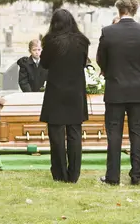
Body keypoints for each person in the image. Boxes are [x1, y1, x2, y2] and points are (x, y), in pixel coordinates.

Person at [97, 0, 140, 186]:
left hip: (115, 88)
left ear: (119, 10)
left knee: (114, 133)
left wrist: (110, 71)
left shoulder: (108, 32)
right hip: (138, 88)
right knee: (138, 132)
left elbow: (100, 59)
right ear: (135, 10)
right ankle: (136, 173)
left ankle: (112, 176)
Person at [39, 9, 90, 183]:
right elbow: (84, 63)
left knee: (57, 134)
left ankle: (59, 173)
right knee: (75, 133)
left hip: (56, 91)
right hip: (75, 91)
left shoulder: (52, 41)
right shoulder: (82, 41)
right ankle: (74, 174)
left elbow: (44, 64)